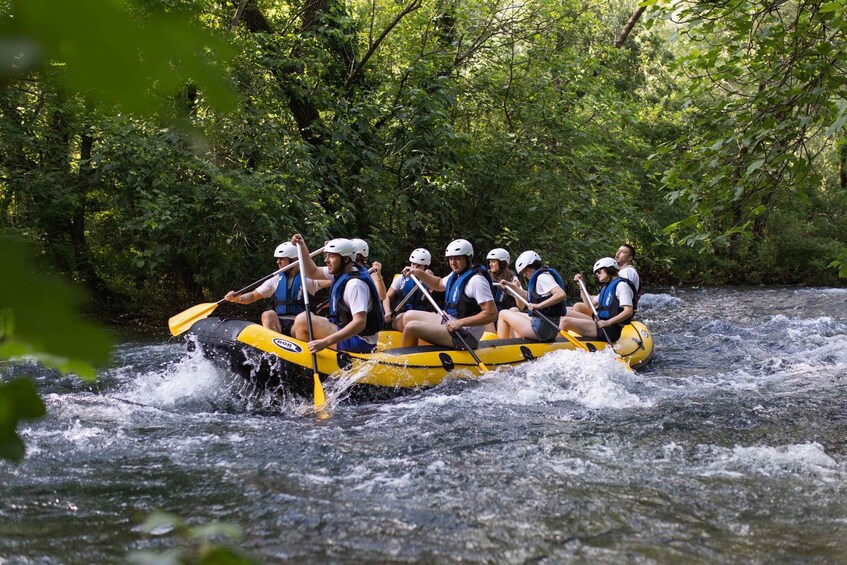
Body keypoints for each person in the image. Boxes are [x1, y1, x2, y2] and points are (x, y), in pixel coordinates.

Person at [289, 235, 385, 353]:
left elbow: (360, 323)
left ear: (346, 259)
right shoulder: (343, 270)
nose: (326, 260)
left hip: (361, 341)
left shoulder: (355, 285)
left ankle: (308, 364)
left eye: (332, 256)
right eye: (327, 255)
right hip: (347, 331)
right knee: (295, 329)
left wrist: (326, 342)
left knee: (303, 320)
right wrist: (302, 247)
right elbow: (312, 272)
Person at [399, 239, 497, 350]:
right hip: (451, 322)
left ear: (468, 258)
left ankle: (404, 362)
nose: (453, 263)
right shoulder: (456, 274)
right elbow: (438, 284)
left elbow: (492, 314)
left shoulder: (477, 281)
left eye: (458, 259)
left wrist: (460, 323)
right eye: (451, 259)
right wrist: (416, 272)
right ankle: (421, 350)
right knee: (408, 316)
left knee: (412, 327)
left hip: (466, 335)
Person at [224, 242, 325, 336]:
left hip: (298, 325)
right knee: (268, 314)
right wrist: (237, 298)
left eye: (282, 259)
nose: (278, 262)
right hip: (278, 324)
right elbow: (253, 296)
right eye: (278, 259)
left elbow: (331, 279)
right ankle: (273, 348)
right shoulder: (276, 279)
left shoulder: (308, 279)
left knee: (302, 322)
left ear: (294, 260)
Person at [559, 257, 634, 343]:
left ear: (610, 269)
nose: (597, 274)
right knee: (564, 314)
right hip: (600, 323)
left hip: (610, 329)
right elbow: (589, 304)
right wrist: (581, 285)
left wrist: (608, 322)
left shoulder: (621, 286)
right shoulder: (606, 287)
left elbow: (628, 311)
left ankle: (556, 345)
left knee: (565, 321)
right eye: (596, 273)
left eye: (599, 271)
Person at [496, 251, 566, 341]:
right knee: (516, 313)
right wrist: (511, 286)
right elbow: (529, 296)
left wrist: (539, 306)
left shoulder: (543, 277)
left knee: (503, 313)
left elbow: (560, 294)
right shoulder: (541, 277)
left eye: (525, 270)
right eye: (522, 272)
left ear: (534, 265)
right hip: (549, 327)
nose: (524, 274)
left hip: (542, 329)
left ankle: (501, 347)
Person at [382, 248, 434, 330]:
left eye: (419, 266)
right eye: (413, 264)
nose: (415, 267)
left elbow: (437, 287)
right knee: (411, 324)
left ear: (425, 267)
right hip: (402, 316)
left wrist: (430, 277)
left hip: (421, 317)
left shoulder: (428, 279)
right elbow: (387, 297)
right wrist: (388, 312)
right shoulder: (401, 278)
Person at [486, 248, 522, 312]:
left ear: (502, 263)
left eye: (493, 261)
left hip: (505, 312)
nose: (490, 264)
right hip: (490, 311)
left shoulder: (512, 278)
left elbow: (521, 307)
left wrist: (516, 289)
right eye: (490, 262)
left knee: (515, 310)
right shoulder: (485, 276)